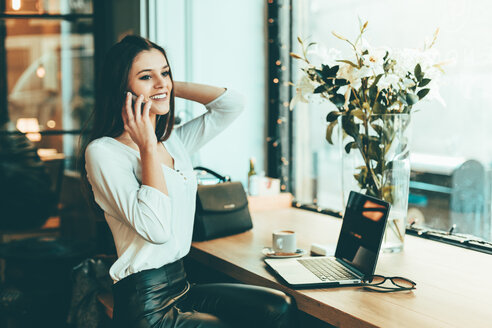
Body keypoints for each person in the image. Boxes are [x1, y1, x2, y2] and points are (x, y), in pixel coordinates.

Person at [82, 35, 298, 327]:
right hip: (145, 303)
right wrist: (146, 146)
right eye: (145, 76)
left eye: (165, 71)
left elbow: (232, 104)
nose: (161, 81)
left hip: (182, 286)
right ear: (122, 89)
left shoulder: (175, 142)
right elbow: (156, 229)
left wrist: (164, 89)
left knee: (278, 308)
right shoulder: (104, 152)